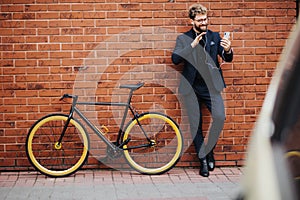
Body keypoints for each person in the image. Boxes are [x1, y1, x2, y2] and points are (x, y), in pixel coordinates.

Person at [171, 3, 233, 177]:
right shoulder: (183, 39)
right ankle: (203, 161)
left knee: (220, 117)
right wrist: (192, 45)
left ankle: (208, 150)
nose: (204, 22)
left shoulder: (214, 36)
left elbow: (226, 57)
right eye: (200, 20)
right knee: (196, 124)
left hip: (211, 87)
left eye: (205, 19)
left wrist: (228, 50)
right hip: (191, 88)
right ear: (192, 21)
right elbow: (175, 59)